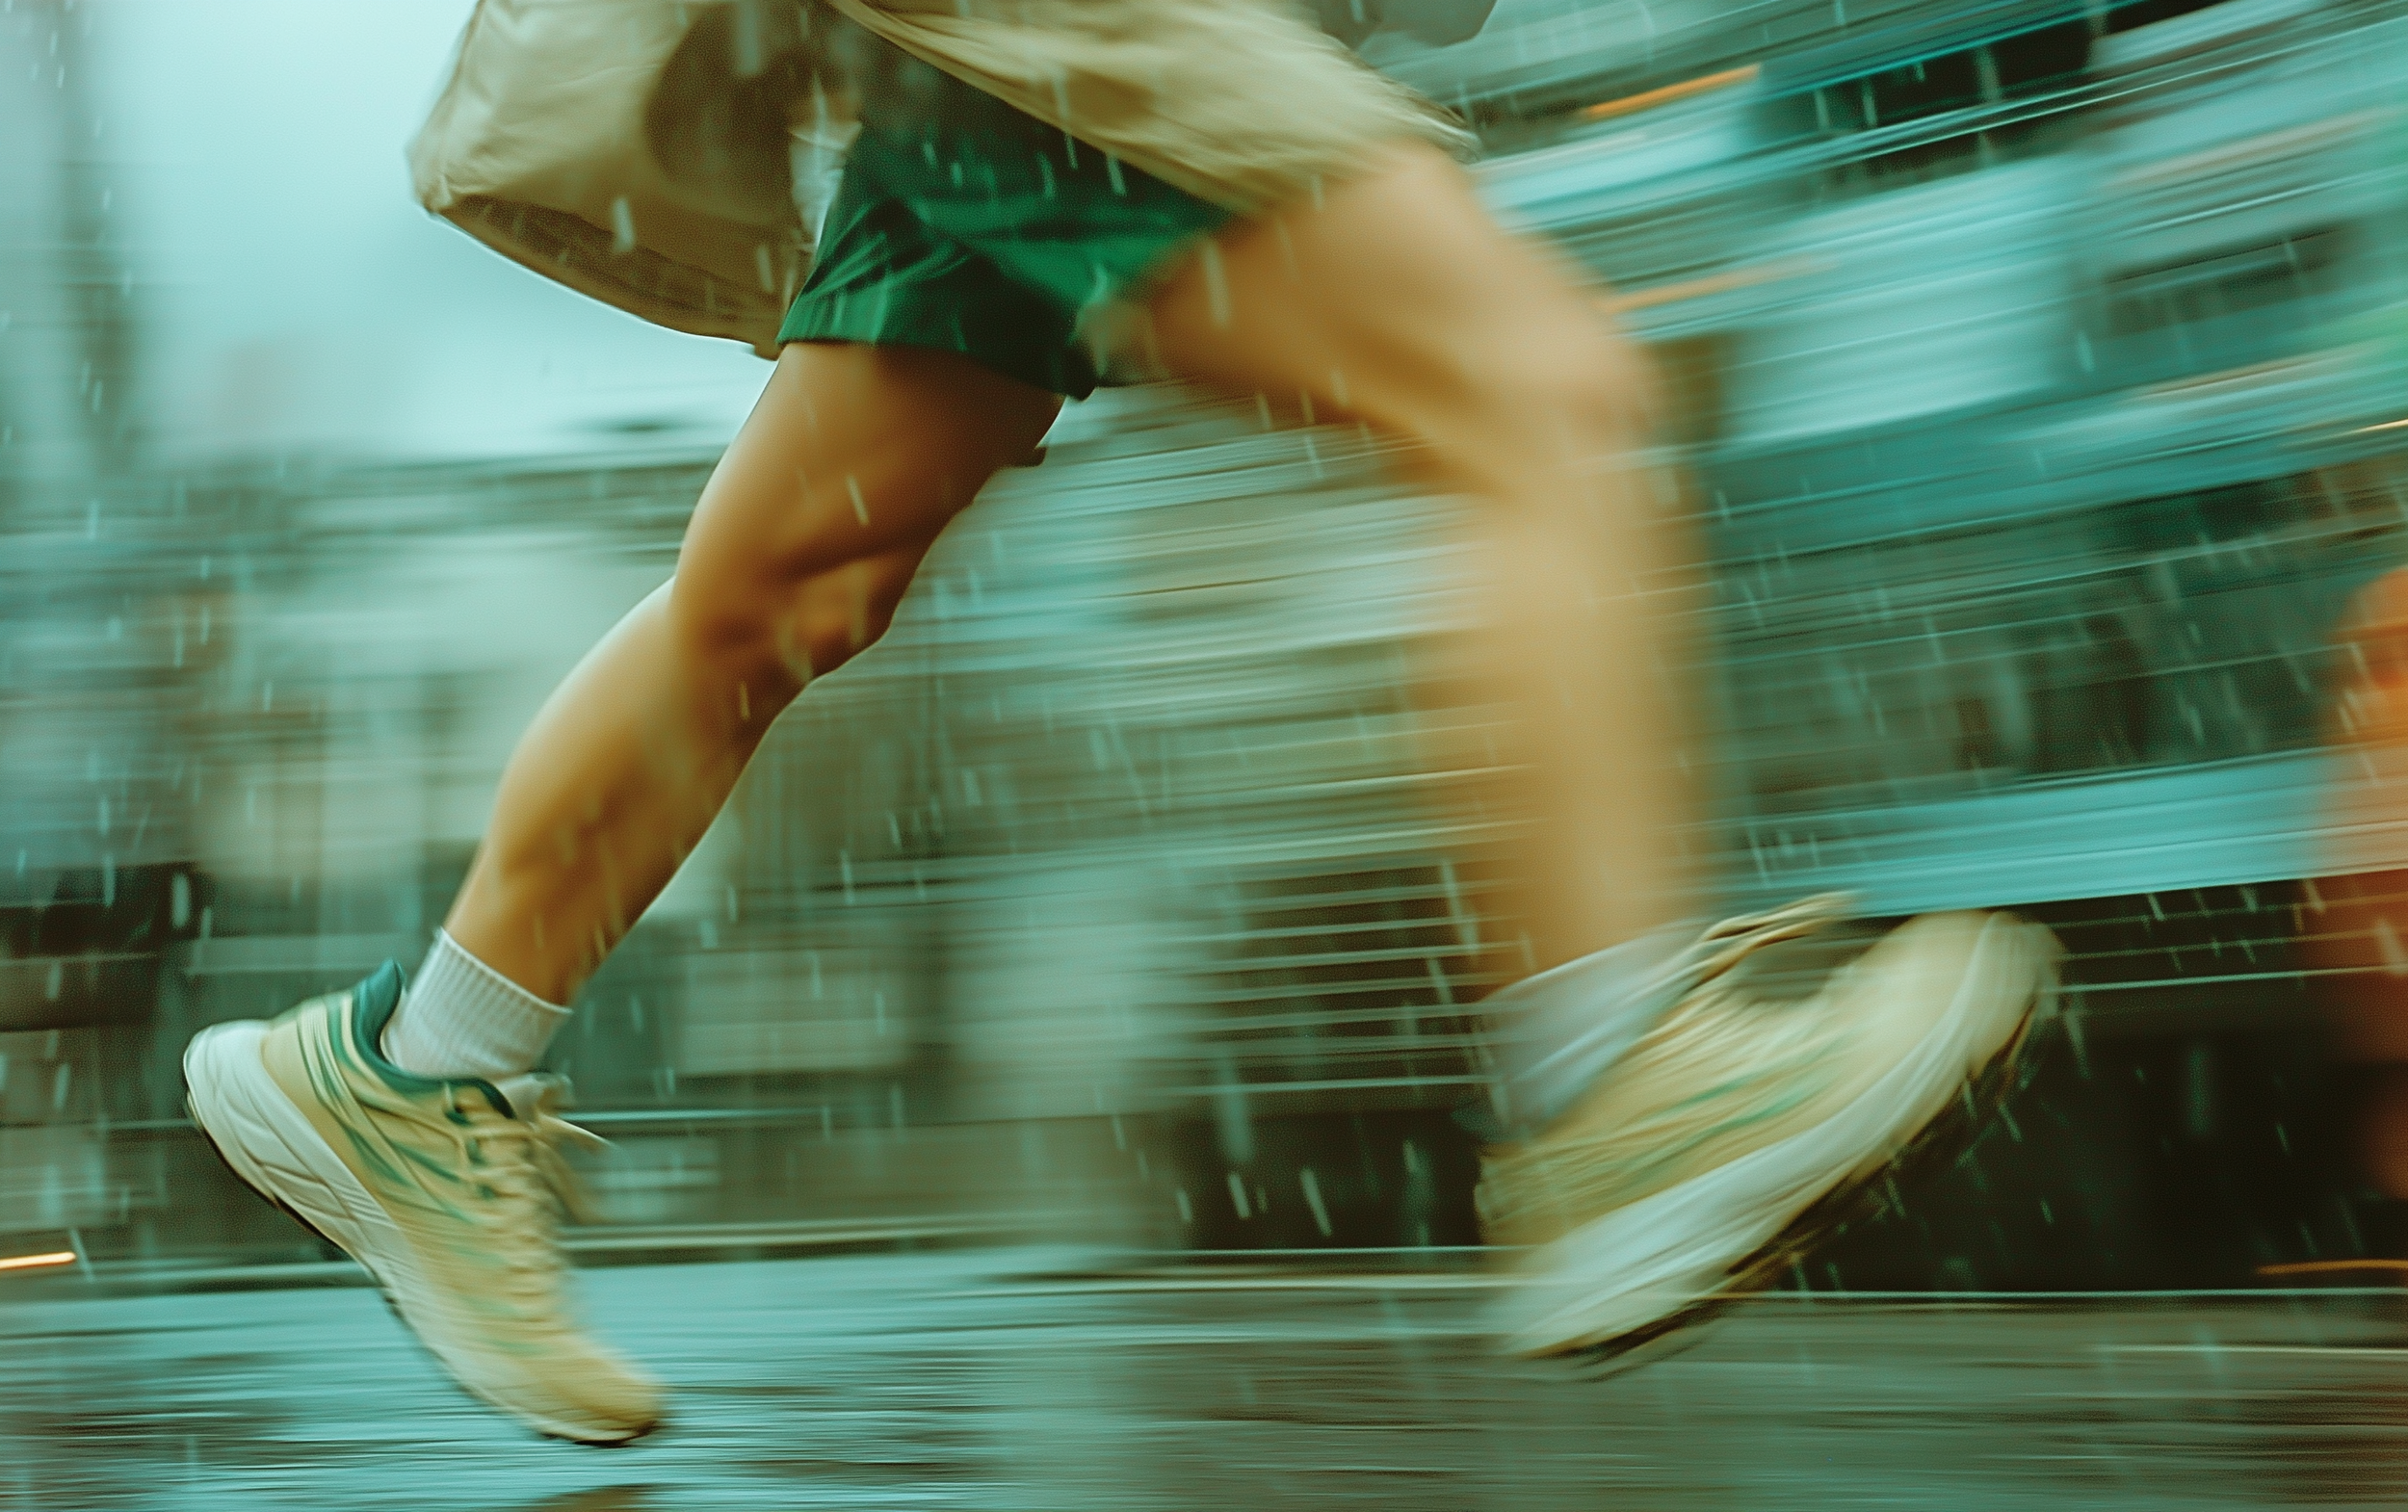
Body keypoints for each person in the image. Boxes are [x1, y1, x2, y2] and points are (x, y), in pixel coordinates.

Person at [182, 0, 2056, 1445]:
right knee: (1529, 395)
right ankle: (1616, 1077)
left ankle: (410, 1064)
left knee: (785, 600)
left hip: (985, 63)